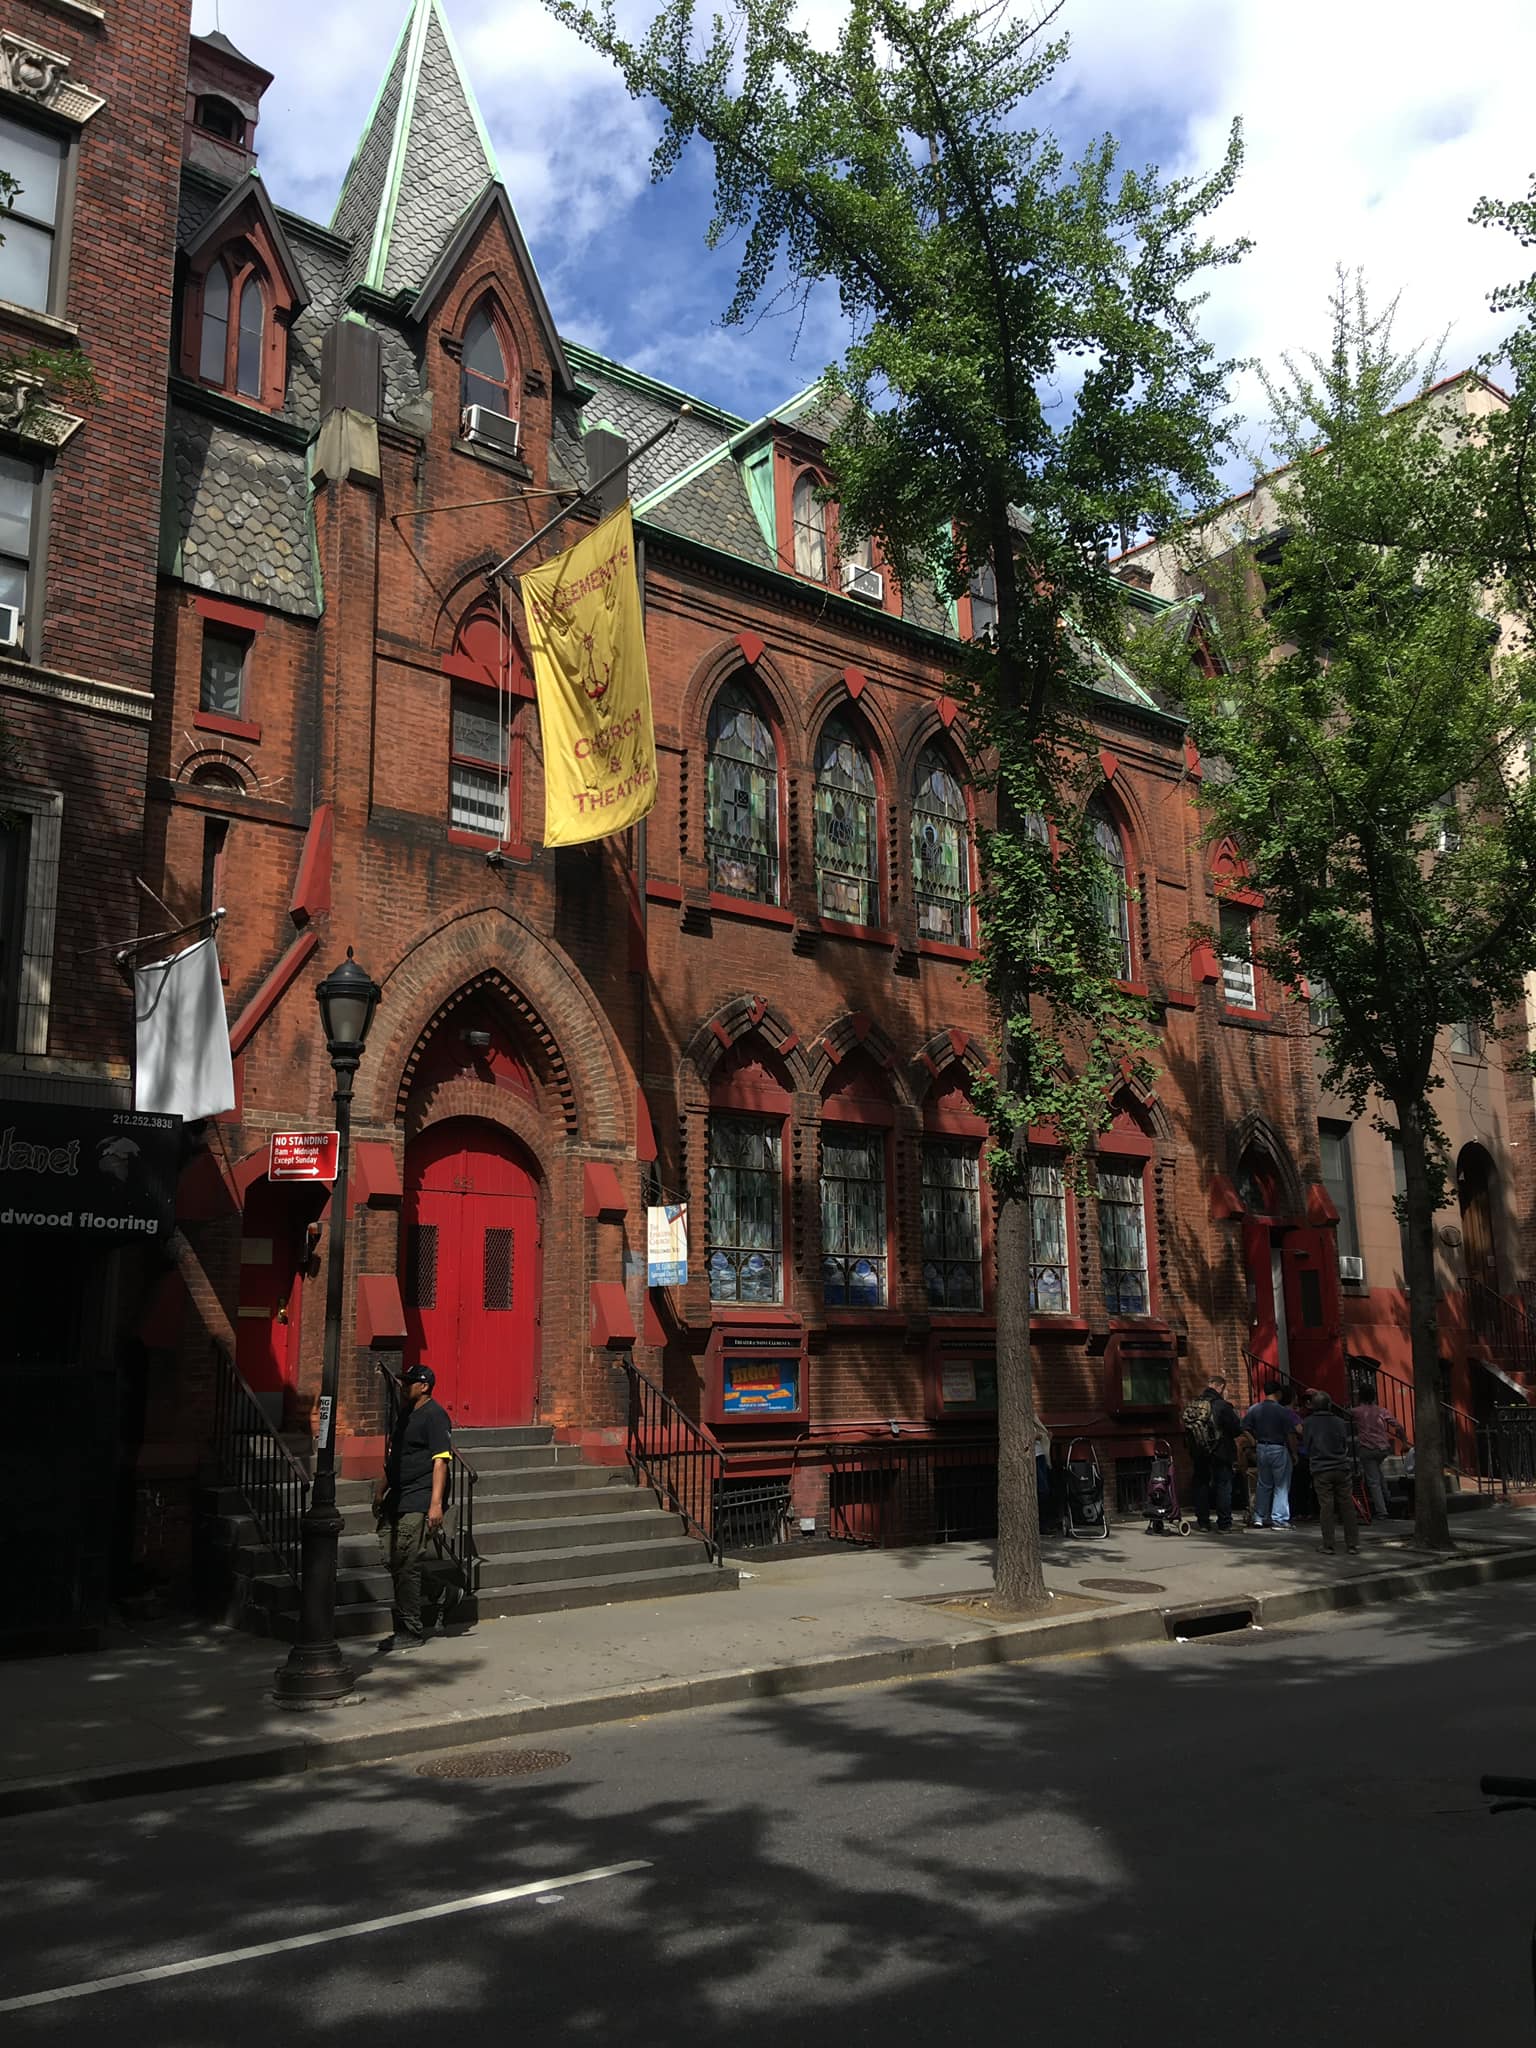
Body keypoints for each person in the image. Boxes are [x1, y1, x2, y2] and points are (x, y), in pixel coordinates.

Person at [374, 1363, 453, 1650]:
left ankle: (411, 1629)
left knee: (406, 1561)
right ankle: (442, 1592)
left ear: (425, 1386)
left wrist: (435, 1504)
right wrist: (381, 1489)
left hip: (420, 1497)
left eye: (410, 1382)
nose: (404, 1386)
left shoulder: (435, 1417)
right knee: (390, 1556)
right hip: (398, 1494)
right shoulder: (406, 1413)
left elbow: (440, 1462)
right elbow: (395, 1456)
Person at [1303, 1390, 1359, 1556]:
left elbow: (1307, 1444)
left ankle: (1328, 1544)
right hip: (1341, 1466)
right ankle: (1352, 1544)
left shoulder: (1308, 1422)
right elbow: (1345, 1443)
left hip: (1321, 1467)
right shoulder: (1340, 1422)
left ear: (1313, 1406)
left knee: (1326, 1506)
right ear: (1329, 1405)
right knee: (1347, 1505)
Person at [1184, 1373, 1241, 1532]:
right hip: (1220, 1452)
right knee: (1223, 1486)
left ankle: (1203, 1522)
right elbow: (1236, 1429)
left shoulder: (1195, 1403)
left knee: (1201, 1484)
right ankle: (1224, 1523)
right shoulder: (1222, 1406)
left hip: (1199, 1451)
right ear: (1221, 1387)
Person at [1240, 1382, 1302, 1529]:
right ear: (1278, 1393)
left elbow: (1244, 1427)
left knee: (1264, 1483)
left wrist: (1253, 1442)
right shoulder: (1282, 1411)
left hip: (1261, 1447)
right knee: (1281, 1485)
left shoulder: (1255, 1409)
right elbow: (1290, 1434)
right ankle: (1279, 1518)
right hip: (1278, 1447)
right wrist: (1294, 1453)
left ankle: (1259, 1516)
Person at [1351, 1379, 1405, 1521]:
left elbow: (1346, 1413)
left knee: (1373, 1480)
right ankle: (1387, 1497)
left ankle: (1382, 1511)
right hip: (1383, 1448)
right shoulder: (1382, 1411)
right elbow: (1399, 1427)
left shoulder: (1356, 1411)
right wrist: (1404, 1441)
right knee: (1377, 1471)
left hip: (1367, 1449)